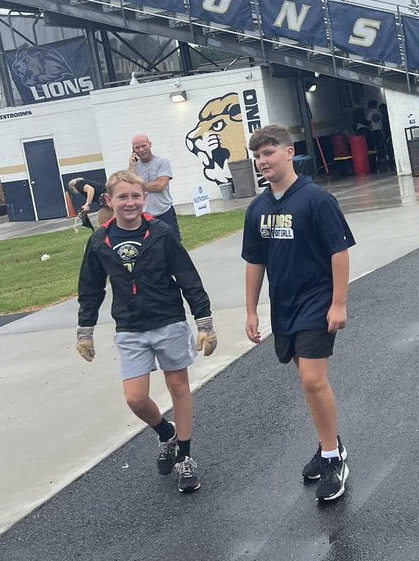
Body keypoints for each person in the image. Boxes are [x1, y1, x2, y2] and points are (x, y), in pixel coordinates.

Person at [75, 170, 217, 494]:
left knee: (178, 387)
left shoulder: (161, 232)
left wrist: (204, 321)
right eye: (123, 197)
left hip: (168, 321)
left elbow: (187, 276)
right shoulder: (100, 240)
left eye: (136, 196)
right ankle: (164, 432)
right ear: (109, 201)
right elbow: (91, 288)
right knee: (135, 398)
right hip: (130, 327)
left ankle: (185, 456)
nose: (130, 202)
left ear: (144, 198)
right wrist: (85, 330)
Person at [242, 124, 355, 502]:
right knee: (307, 383)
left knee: (312, 379)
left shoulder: (316, 199)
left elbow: (339, 251)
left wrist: (339, 302)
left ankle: (332, 459)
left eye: (269, 153)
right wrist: (251, 311)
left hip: (317, 300)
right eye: (257, 156)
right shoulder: (257, 208)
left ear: (289, 153)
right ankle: (330, 444)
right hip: (284, 305)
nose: (262, 161)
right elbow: (254, 262)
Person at [129, 135, 180, 238]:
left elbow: (160, 185)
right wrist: (131, 167)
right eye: (137, 148)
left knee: (173, 246)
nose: (141, 150)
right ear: (133, 150)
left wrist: (137, 185)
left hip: (164, 211)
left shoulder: (162, 162)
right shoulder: (133, 168)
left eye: (144, 146)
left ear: (150, 145)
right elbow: (129, 188)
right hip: (145, 215)